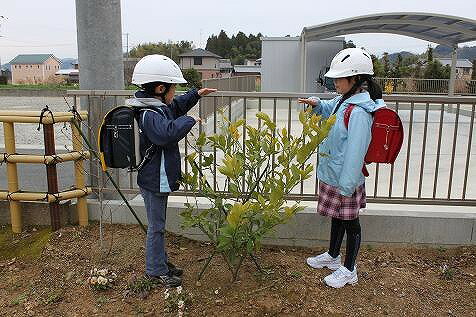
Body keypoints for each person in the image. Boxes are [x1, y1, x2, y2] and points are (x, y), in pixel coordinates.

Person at [298, 47, 385, 288]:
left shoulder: (359, 112)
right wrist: (316, 103)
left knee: (351, 223)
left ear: (355, 79)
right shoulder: (344, 101)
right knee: (338, 218)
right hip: (334, 174)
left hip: (346, 179)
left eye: (339, 78)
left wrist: (347, 186)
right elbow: (328, 109)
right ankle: (333, 256)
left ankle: (349, 269)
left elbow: (356, 154)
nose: (335, 82)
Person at [127, 54, 216, 287]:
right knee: (156, 228)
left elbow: (174, 107)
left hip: (156, 177)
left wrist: (195, 95)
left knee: (159, 225)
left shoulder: (156, 107)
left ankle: (160, 262)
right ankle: (155, 271)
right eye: (173, 89)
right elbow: (166, 134)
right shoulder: (148, 114)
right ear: (159, 88)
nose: (174, 94)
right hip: (154, 179)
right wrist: (190, 120)